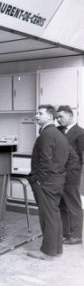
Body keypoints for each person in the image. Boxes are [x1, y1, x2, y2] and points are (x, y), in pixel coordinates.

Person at [28, 104, 71, 260]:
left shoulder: (46, 134)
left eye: (40, 113)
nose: (36, 116)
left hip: (46, 183)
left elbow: (45, 160)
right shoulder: (60, 134)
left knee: (47, 217)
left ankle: (47, 252)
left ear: (50, 117)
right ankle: (56, 249)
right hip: (57, 180)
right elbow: (70, 158)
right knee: (54, 216)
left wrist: (38, 180)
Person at [56, 105, 84, 245]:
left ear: (70, 116)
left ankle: (76, 235)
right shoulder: (58, 131)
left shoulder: (80, 133)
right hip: (58, 174)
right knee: (61, 204)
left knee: (73, 204)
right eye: (57, 117)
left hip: (72, 175)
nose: (58, 119)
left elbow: (82, 157)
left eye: (61, 116)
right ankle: (65, 233)